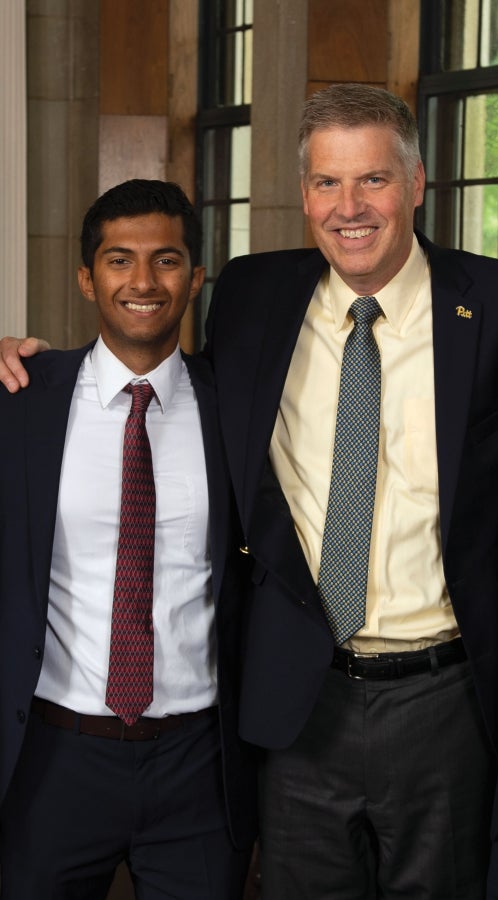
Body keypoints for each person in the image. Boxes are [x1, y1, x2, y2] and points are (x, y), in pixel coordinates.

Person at [3, 84, 498, 899]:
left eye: (373, 180)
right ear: (303, 194)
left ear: (416, 184)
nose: (349, 207)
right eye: (326, 183)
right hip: (293, 703)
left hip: (441, 701)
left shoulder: (495, 306)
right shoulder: (256, 299)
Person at [0, 179, 257, 900]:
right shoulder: (22, 398)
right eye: (119, 260)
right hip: (51, 759)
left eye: (167, 260)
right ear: (87, 277)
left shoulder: (236, 405)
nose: (143, 281)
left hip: (197, 770)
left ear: (196, 277)